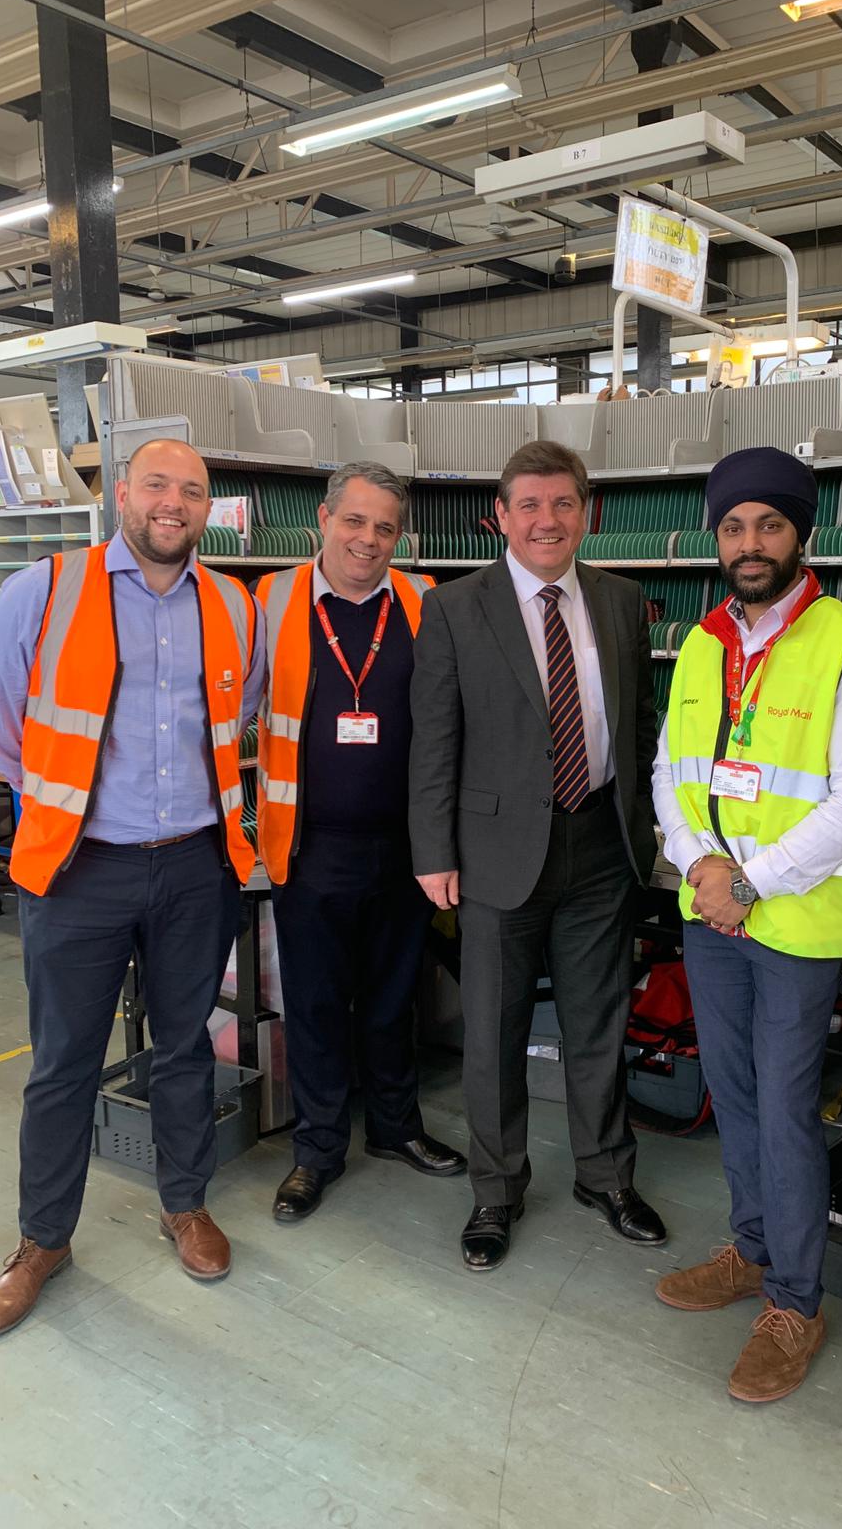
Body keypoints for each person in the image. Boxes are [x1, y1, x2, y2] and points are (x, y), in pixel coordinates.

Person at [0, 438, 264, 1336]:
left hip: (194, 863)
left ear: (208, 509)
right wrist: (56, 805)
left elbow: (240, 711)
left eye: (194, 491)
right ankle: (43, 1239)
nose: (174, 504)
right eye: (158, 486)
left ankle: (184, 1203)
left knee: (183, 1048)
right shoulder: (47, 590)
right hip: (79, 867)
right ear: (121, 494)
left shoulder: (232, 605)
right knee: (62, 1064)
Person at [652, 444, 842, 1402]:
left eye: (768, 524)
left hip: (797, 926)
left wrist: (746, 882)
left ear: (802, 533)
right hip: (712, 912)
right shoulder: (704, 642)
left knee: (790, 1111)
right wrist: (699, 866)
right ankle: (754, 1251)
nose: (749, 544)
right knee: (735, 1092)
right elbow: (668, 776)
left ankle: (795, 1304)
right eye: (732, 526)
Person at [409, 439, 664, 1272]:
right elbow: (434, 741)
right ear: (501, 517)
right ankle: (496, 1191)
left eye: (562, 504)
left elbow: (639, 729)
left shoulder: (624, 602)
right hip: (493, 854)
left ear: (585, 513)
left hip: (599, 844)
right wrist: (433, 851)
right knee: (493, 1031)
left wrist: (644, 833)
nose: (546, 520)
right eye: (529, 505)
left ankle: (605, 1175)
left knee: (599, 1023)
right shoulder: (455, 607)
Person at [257, 462, 466, 1223]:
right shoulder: (271, 600)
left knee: (391, 998)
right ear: (324, 519)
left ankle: (394, 1127)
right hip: (308, 847)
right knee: (313, 1004)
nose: (368, 539)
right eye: (355, 521)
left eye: (384, 527)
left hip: (406, 848)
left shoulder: (423, 601)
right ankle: (316, 1151)